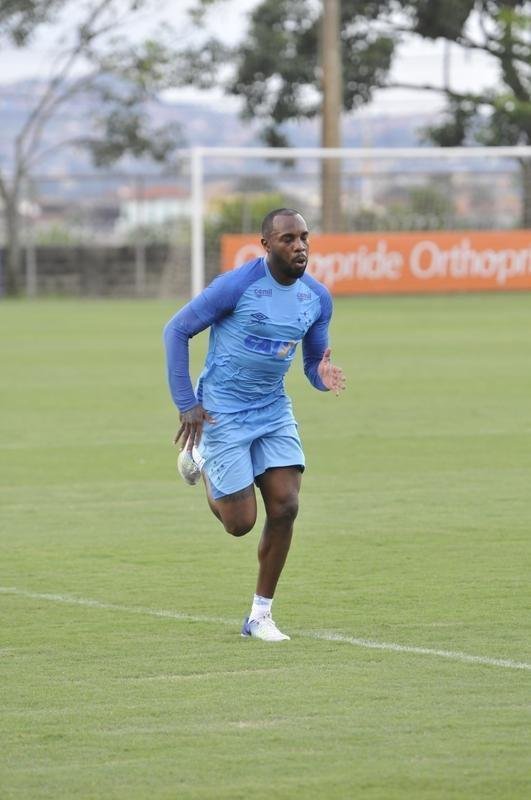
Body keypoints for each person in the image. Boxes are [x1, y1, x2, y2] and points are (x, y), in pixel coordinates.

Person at [163, 208, 345, 642]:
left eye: (304, 237)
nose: (299, 246)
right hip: (221, 412)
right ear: (266, 245)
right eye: (287, 239)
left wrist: (323, 376)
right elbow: (176, 330)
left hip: (272, 410)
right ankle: (198, 454)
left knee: (285, 505)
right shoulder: (236, 286)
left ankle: (260, 616)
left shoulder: (317, 298)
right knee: (240, 523)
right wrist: (187, 404)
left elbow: (311, 363)